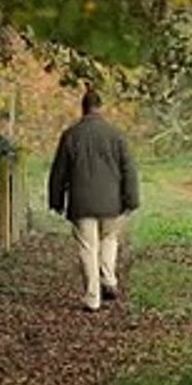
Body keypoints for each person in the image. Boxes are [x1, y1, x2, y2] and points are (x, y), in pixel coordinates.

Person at [48, 88, 140, 311]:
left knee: (88, 248)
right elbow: (128, 169)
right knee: (109, 239)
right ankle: (108, 279)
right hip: (112, 202)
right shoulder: (115, 135)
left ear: (83, 107)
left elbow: (59, 171)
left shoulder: (71, 135)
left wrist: (56, 200)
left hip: (81, 202)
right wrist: (131, 200)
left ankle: (92, 297)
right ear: (101, 108)